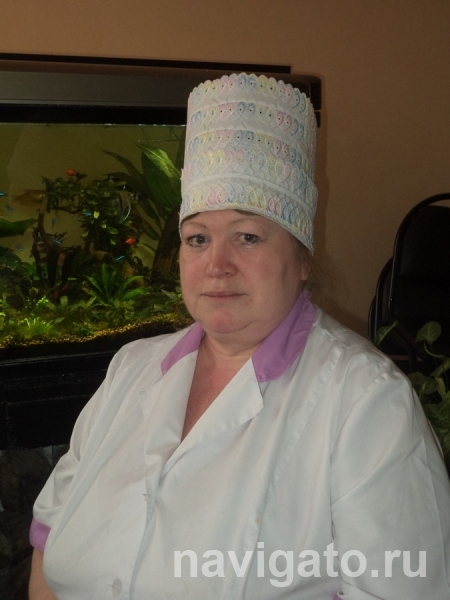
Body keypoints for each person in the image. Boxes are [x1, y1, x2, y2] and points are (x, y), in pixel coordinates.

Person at [29, 72, 450, 600]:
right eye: (197, 239)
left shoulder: (368, 404)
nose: (217, 265)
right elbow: (48, 535)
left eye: (248, 237)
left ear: (302, 259)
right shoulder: (130, 368)